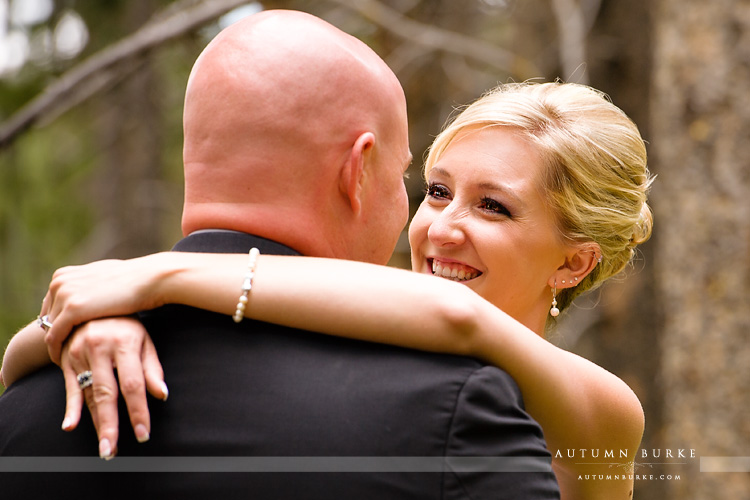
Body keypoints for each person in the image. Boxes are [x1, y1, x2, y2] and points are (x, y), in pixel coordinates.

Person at [0, 9, 562, 500]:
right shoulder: (450, 412)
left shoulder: (25, 409)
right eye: (409, 180)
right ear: (357, 170)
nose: (432, 226)